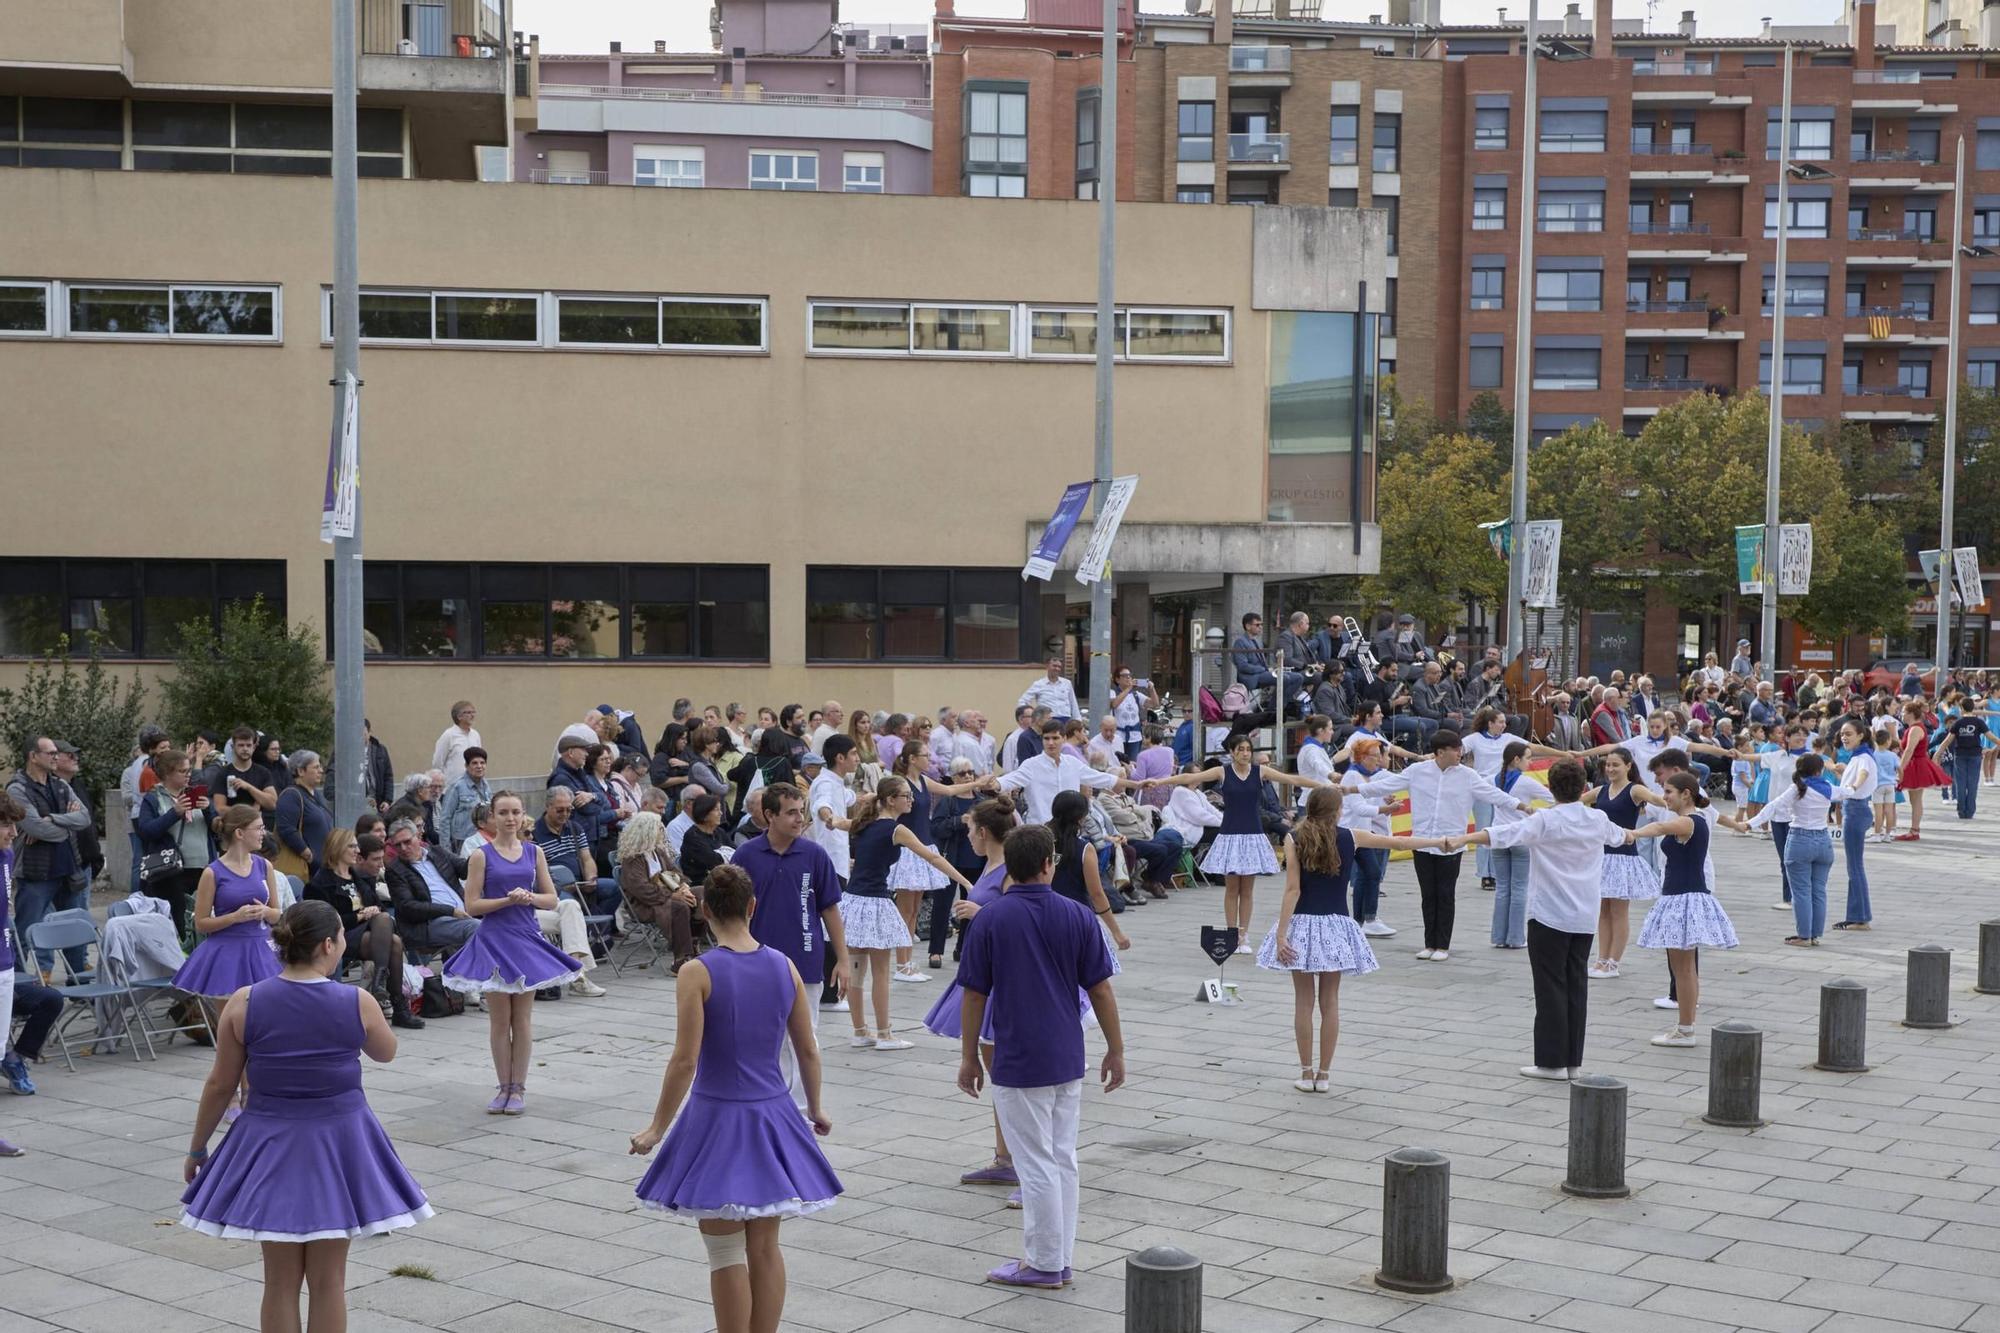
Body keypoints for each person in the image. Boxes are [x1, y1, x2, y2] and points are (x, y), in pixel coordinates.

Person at [180, 900, 430, 1330]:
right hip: (340, 1142)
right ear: (329, 945)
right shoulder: (356, 1000)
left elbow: (221, 1084)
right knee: (329, 1282)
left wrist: (198, 1147)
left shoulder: (244, 1001)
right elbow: (386, 1053)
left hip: (267, 1141)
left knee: (277, 1283)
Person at [628, 863, 840, 1333]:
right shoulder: (784, 966)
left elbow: (685, 1061)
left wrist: (656, 1129)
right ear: (753, 906)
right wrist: (817, 1108)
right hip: (772, 1117)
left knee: (724, 1251)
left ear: (704, 911)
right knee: (765, 1247)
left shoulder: (697, 972)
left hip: (716, 1119)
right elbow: (806, 1048)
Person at [956, 824, 1124, 1290]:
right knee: (1062, 1158)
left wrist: (969, 1056)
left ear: (1009, 866)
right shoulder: (1077, 914)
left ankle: (1044, 1262)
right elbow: (1101, 989)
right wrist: (1116, 1047)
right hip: (1068, 1052)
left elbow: (973, 996)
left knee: (1035, 1164)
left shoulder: (989, 918)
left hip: (1018, 1054)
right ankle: (1059, 1256)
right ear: (1050, 864)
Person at [1449, 758, 1631, 1080]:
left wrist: (1465, 839)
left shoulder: (1546, 820)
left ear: (1550, 787)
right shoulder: (1596, 819)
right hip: (1584, 915)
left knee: (1550, 987)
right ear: (1584, 788)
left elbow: (1503, 834)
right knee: (1576, 985)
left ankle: (1551, 1063)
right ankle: (1573, 1061)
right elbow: (1623, 837)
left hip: (1549, 914)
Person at [1258, 787, 1436, 1093]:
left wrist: (1281, 934)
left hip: (1302, 923)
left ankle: (1305, 1072)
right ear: (1337, 810)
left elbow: (1293, 890)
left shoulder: (1293, 838)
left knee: (1303, 1001)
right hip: (1336, 925)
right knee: (1330, 1001)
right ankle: (1324, 1075)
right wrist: (1440, 842)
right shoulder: (1350, 836)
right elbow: (1399, 841)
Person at [442, 792, 586, 1113]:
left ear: (523, 816)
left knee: (521, 1019)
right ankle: (502, 1086)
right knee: (499, 1020)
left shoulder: (534, 852)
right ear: (492, 817)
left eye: (516, 812)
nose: (510, 818)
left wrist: (528, 897)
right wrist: (508, 899)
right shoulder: (481, 855)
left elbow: (551, 898)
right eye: (503, 812)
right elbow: (472, 905)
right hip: (494, 939)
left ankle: (518, 1088)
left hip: (524, 938)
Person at [924, 797, 1030, 1187]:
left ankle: (1018, 1158)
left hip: (1001, 977)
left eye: (970, 831)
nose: (968, 838)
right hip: (985, 968)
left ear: (984, 833)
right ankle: (1005, 1156)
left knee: (1004, 1072)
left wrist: (979, 913)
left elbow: (1021, 920)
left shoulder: (1007, 869)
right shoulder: (991, 864)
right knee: (997, 1072)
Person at [1146, 734, 1331, 952]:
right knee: (1232, 888)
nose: (1245, 753)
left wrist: (1324, 786)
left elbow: (1293, 780)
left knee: (1248, 889)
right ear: (1232, 752)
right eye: (1241, 749)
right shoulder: (1222, 772)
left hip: (1252, 836)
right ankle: (1232, 934)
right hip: (1230, 835)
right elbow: (1185, 779)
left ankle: (1244, 935)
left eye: (1248, 749)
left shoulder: (1259, 771)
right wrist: (1159, 781)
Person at [837, 778, 978, 1051]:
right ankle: (884, 1034)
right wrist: (966, 882)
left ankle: (860, 1031)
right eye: (906, 796)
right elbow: (933, 857)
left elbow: (840, 824)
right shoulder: (896, 829)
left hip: (853, 901)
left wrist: (831, 818)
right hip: (874, 902)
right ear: (891, 800)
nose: (911, 800)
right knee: (879, 972)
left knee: (856, 970)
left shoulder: (865, 824)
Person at [1356, 730, 1522, 961]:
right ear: (1440, 752)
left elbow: (1494, 795)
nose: (1460, 753)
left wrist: (1522, 806)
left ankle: (1442, 945)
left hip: (1450, 844)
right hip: (1422, 841)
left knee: (1445, 894)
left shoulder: (1468, 775)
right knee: (1428, 895)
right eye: (1455, 750)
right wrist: (1351, 789)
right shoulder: (1417, 771)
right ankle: (1429, 943)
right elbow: (1385, 785)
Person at [737, 785, 852, 1113]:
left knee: (804, 1036)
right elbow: (732, 909)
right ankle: (766, 1101)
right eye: (790, 812)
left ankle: (800, 1109)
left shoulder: (814, 855)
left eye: (801, 811)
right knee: (760, 1035)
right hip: (757, 962)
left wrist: (843, 960)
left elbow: (830, 909)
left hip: (805, 959)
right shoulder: (747, 855)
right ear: (769, 815)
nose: (799, 818)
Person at [1630, 772, 1742, 1047]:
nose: (1664, 797)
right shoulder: (1696, 819)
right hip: (1681, 896)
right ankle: (1685, 1027)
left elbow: (1657, 829)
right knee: (1684, 968)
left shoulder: (1689, 821)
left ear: (1686, 794)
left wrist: (1631, 833)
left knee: (1683, 969)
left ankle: (1686, 1029)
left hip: (1683, 898)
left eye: (1668, 791)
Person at [884, 740, 990, 983]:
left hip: (921, 846)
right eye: (924, 755)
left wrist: (977, 783)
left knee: (914, 911)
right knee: (905, 910)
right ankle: (901, 964)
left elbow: (951, 790)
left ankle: (908, 962)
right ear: (912, 758)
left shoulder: (923, 781)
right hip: (906, 848)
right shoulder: (901, 782)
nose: (929, 760)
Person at [304, 829, 426, 1031]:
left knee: (392, 936)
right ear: (338, 848)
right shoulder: (320, 883)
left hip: (371, 935)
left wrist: (372, 911)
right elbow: (325, 922)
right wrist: (361, 915)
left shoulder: (355, 877)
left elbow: (380, 908)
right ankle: (397, 1005)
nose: (357, 850)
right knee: (389, 934)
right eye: (352, 846)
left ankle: (381, 984)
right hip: (339, 936)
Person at [173, 804, 284, 1019]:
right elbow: (201, 923)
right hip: (228, 951)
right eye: (258, 828)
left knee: (267, 1016)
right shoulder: (212, 872)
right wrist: (235, 917)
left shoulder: (264, 866)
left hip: (262, 947)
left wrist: (265, 911)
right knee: (230, 1021)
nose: (264, 833)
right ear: (240, 833)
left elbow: (278, 913)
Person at [0, 793, 66, 1132]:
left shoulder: (7, 856)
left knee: (51, 999)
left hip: (5, 963)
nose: (14, 832)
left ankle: (16, 1059)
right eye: (7, 824)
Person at [7, 736, 92, 979]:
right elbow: (36, 828)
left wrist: (53, 819)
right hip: (36, 874)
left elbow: (84, 818)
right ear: (33, 756)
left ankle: (79, 987)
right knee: (24, 932)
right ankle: (19, 987)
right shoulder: (18, 788)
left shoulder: (61, 785)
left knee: (75, 933)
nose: (56, 757)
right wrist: (64, 824)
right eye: (50, 753)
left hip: (68, 869)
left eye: (57, 753)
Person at [1582, 748, 1664, 978]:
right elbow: (1574, 803)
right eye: (1608, 765)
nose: (1610, 769)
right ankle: (1601, 958)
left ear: (1628, 766)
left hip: (1623, 857)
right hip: (1601, 856)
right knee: (1603, 911)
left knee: (1619, 911)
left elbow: (1659, 800)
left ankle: (1614, 962)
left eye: (1615, 765)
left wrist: (1682, 799)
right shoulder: (1600, 791)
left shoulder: (1634, 789)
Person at [1750, 755, 1836, 946]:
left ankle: (1804, 935)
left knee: (1801, 891)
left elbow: (1773, 806)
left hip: (1800, 839)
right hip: (1823, 841)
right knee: (1819, 891)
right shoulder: (1828, 787)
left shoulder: (1798, 787)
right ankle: (1815, 935)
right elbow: (1849, 791)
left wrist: (1750, 823)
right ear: (1819, 770)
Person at [134, 748, 218, 936]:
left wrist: (208, 810)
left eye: (189, 770)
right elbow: (146, 831)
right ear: (167, 773)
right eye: (182, 771)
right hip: (171, 871)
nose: (188, 775)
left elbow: (216, 829)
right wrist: (175, 813)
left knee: (202, 919)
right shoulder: (154, 797)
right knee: (179, 923)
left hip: (203, 869)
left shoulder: (196, 793)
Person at [383, 818, 480, 957]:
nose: (403, 848)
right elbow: (408, 907)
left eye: (407, 842)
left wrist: (481, 853)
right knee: (476, 928)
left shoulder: (437, 852)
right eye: (398, 845)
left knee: (502, 922)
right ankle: (478, 974)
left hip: (463, 914)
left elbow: (465, 870)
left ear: (418, 836)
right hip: (428, 924)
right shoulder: (395, 870)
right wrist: (450, 911)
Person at [1487, 742, 1548, 950]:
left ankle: (1498, 936)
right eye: (1528, 758)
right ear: (1516, 760)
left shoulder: (1494, 779)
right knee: (1520, 887)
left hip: (1497, 836)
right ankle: (1515, 938)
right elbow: (1552, 798)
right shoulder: (1525, 782)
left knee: (1502, 888)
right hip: (1520, 837)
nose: (1530, 762)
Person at [1830, 720, 1878, 930]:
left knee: (1855, 866)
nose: (1844, 737)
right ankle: (1856, 915)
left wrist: (1853, 785)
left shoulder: (1864, 757)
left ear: (1861, 735)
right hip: (1854, 807)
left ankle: (1860, 917)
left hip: (1856, 809)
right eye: (1842, 734)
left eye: (1849, 734)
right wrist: (1840, 773)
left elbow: (1863, 776)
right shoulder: (1857, 757)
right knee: (1854, 866)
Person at [1895, 698, 1951, 839]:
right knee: (1916, 799)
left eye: (1903, 712)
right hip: (1917, 763)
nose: (1901, 714)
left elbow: (1909, 750)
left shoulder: (1914, 729)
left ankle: (1914, 831)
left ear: (1911, 713)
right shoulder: (1915, 727)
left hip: (1916, 764)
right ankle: (1914, 830)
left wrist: (1900, 768)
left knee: (1916, 799)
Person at [272, 751, 331, 880]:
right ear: (300, 771)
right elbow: (286, 829)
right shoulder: (291, 795)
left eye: (320, 767)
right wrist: (308, 855)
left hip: (320, 869)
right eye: (316, 767)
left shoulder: (316, 795)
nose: (321, 771)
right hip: (303, 869)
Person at [435, 748, 492, 854]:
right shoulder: (457, 787)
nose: (479, 766)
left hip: (482, 840)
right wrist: (446, 850)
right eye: (474, 763)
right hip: (461, 842)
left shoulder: (486, 786)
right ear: (466, 766)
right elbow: (445, 819)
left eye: (482, 763)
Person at [1939, 705, 1990, 820]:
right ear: (1972, 708)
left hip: (1960, 755)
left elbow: (1947, 740)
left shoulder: (1958, 723)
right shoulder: (1978, 722)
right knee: (1972, 784)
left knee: (1960, 784)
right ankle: (1970, 811)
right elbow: (1990, 736)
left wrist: (1937, 754)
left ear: (1962, 708)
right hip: (1975, 755)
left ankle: (1961, 811)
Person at [431, 700, 482, 786]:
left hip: (473, 785)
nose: (472, 715)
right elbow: (437, 763)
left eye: (473, 712)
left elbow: (480, 759)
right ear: (459, 716)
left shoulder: (475, 735)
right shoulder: (449, 735)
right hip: (453, 786)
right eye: (468, 713)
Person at [1018, 657, 1081, 723]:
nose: (1057, 668)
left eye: (1059, 667)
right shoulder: (1039, 684)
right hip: (1047, 720)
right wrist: (1031, 715)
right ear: (1047, 666)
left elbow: (1073, 703)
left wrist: (1078, 720)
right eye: (1054, 666)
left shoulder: (1067, 683)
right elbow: (1023, 701)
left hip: (1065, 720)